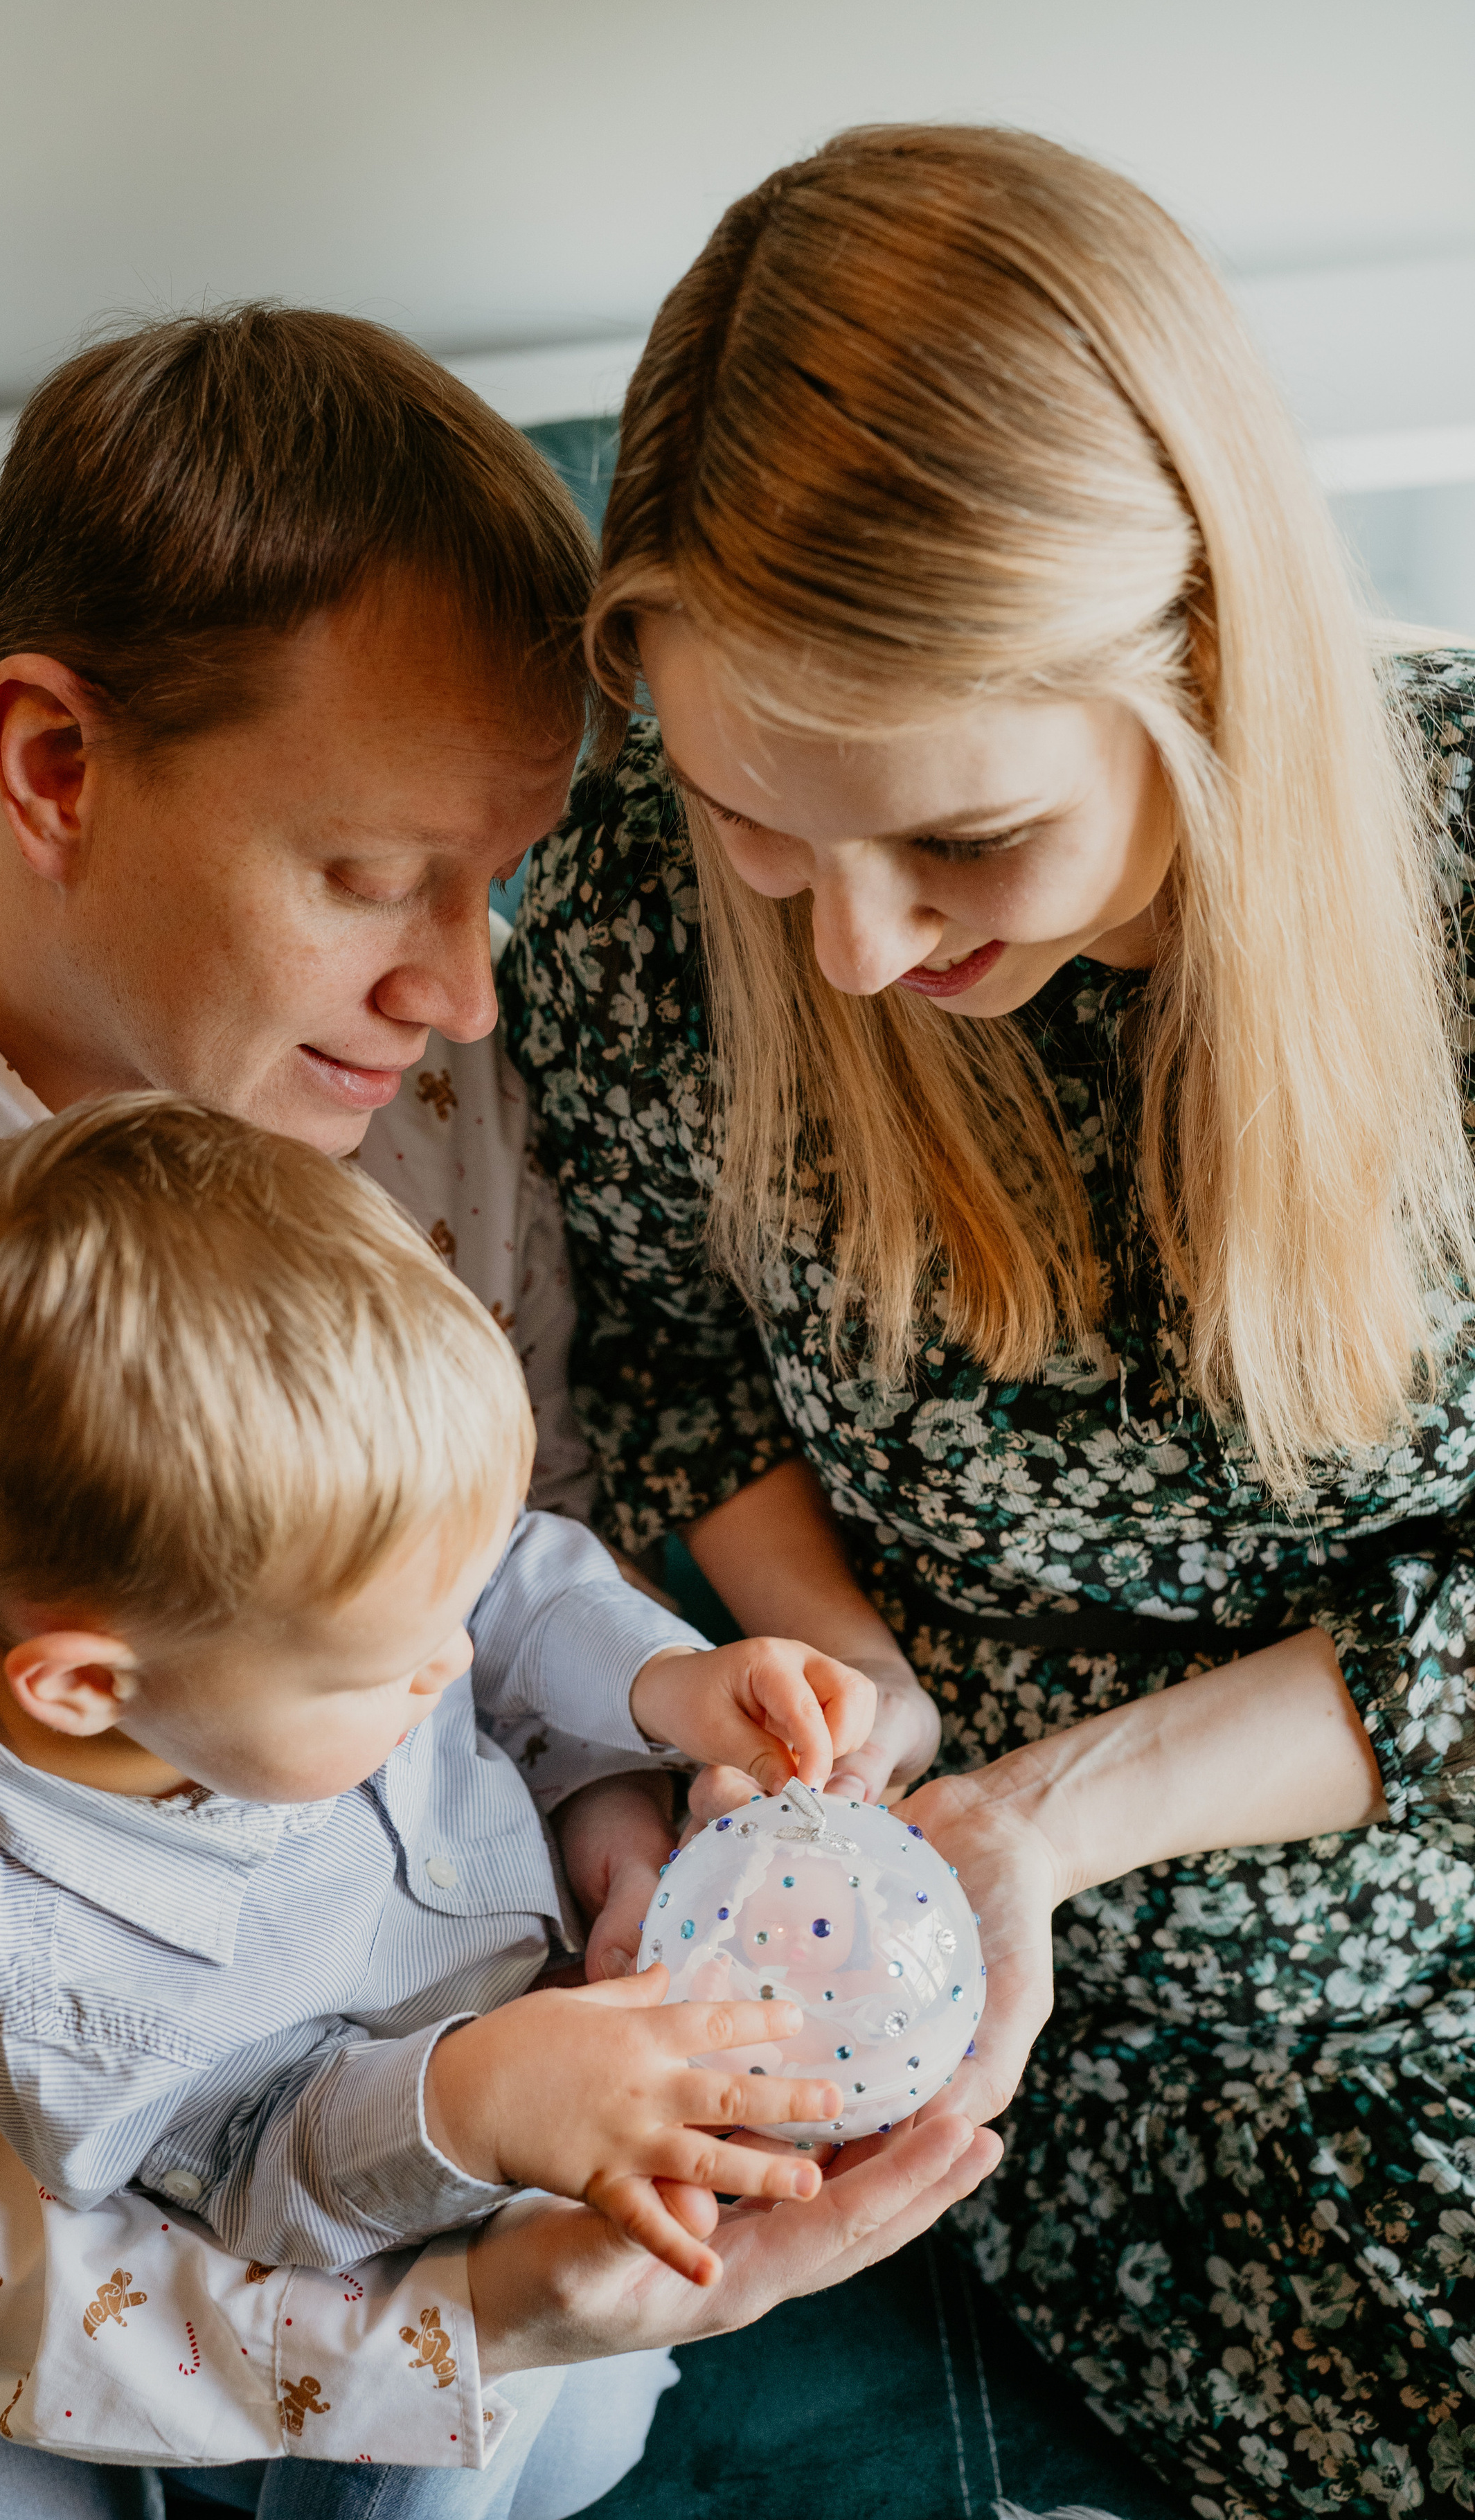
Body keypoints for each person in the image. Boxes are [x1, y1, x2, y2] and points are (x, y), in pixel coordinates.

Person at [0, 303, 996, 2519]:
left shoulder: (408, 1071)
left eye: (494, 881)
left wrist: (616, 1810)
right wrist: (436, 2329)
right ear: (55, 765)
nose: (465, 990)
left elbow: (505, 1536)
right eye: (376, 877)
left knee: (570, 2442)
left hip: (415, 2019)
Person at [501, 124, 1475, 2520]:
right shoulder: (647, 924)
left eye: (961, 839)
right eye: (760, 818)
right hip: (1163, 2044)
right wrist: (867, 1693)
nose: (850, 949)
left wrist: (1068, 1798)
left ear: (1208, 660)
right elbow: (670, 1368)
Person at [0, 1092, 872, 2282]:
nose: (456, 1658)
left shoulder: (267, 1615)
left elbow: (501, 1584)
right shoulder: (50, 1990)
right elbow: (247, 2164)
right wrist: (474, 2103)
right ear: (84, 1688)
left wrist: (663, 1684)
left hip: (515, 1885)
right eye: (391, 1665)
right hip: (412, 2139)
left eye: (449, 1609)